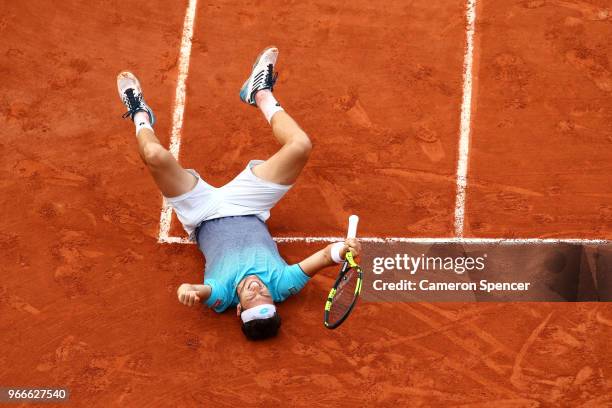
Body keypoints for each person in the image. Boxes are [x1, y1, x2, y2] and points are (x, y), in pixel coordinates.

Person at [116, 46, 361, 340]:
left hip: (202, 212)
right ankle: (260, 93)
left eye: (251, 300)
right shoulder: (283, 285)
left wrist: (189, 290)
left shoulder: (221, 296)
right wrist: (342, 251)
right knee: (300, 146)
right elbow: (324, 256)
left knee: (156, 156)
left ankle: (139, 114)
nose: (258, 291)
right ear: (274, 300)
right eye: (265, 299)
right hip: (248, 206)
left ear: (237, 309)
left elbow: (200, 291)